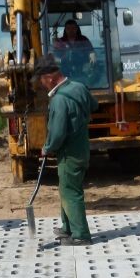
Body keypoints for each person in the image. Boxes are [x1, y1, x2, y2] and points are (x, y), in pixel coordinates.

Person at [35, 53, 99, 245]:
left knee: (71, 192)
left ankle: (81, 235)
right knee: (66, 189)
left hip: (69, 154)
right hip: (81, 149)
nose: (42, 85)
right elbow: (94, 106)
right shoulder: (79, 87)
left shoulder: (58, 100)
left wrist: (47, 148)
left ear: (51, 78)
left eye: (42, 81)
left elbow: (57, 132)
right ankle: (67, 227)